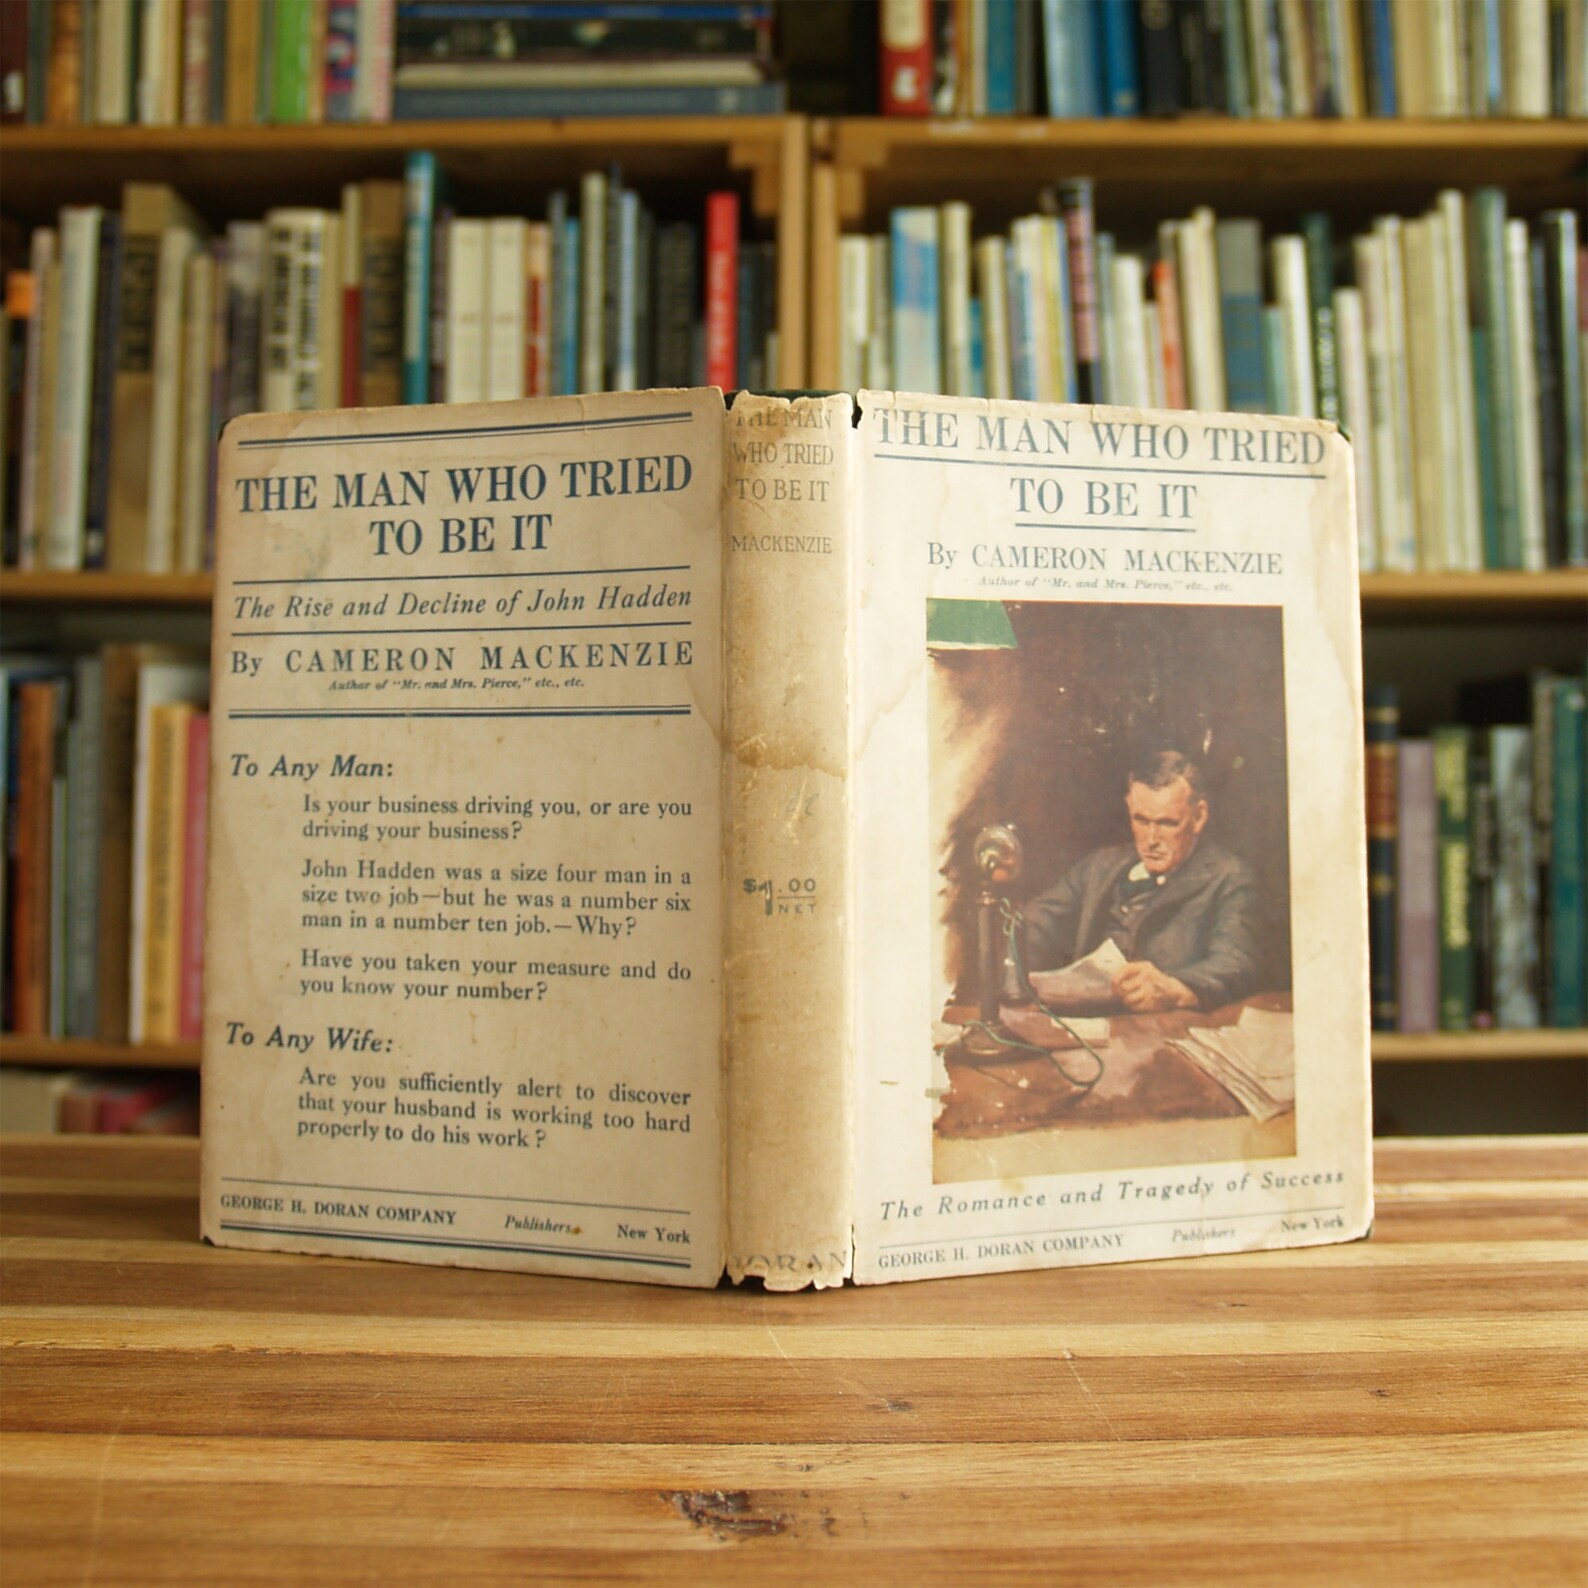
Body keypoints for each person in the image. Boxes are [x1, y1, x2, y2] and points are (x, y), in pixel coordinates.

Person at [1021, 750, 1262, 1013]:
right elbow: (1033, 924)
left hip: (1164, 1025)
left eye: (1167, 823)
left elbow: (1236, 963)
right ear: (1129, 808)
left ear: (1199, 816)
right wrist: (1017, 975)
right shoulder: (1099, 866)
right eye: (1141, 820)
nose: (1151, 839)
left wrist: (1175, 989)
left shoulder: (1229, 877)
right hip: (1088, 1022)